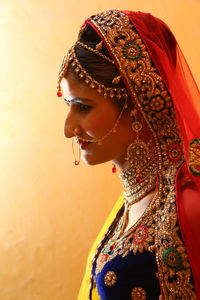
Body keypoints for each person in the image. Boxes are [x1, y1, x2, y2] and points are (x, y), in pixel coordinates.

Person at [57, 10, 200, 300]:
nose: (69, 129)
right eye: (68, 106)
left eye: (83, 107)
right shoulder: (132, 199)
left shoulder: (188, 203)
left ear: (137, 104)